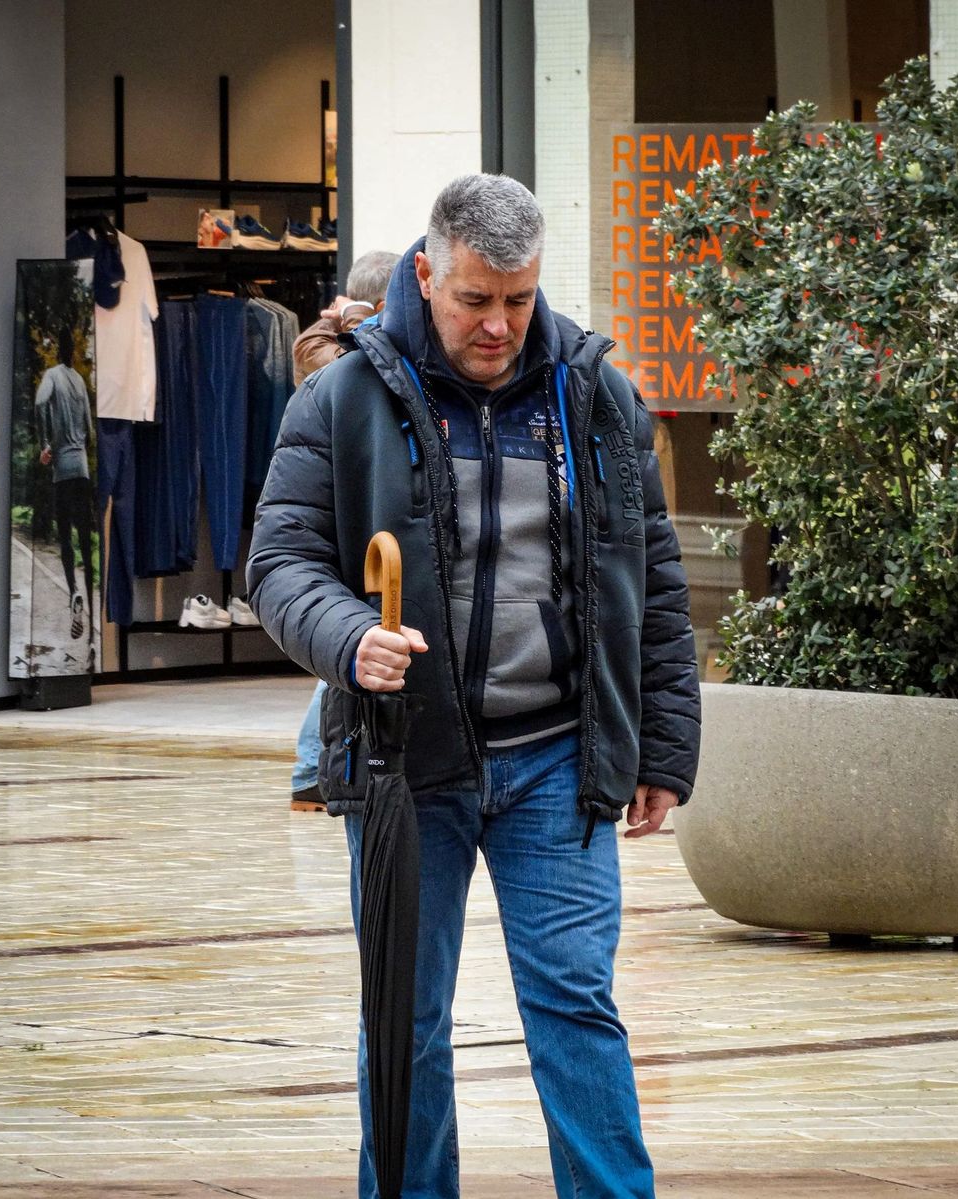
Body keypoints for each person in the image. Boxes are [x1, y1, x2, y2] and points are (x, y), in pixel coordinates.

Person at [248, 174, 701, 1198]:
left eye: (518, 299)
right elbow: (279, 562)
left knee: (577, 1005)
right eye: (474, 299)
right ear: (425, 274)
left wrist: (663, 748)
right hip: (409, 761)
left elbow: (654, 578)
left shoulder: (596, 395)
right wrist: (349, 635)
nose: (498, 324)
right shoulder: (343, 398)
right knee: (405, 1018)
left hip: (558, 756)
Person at [289, 248, 401, 810]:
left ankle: (310, 769)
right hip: (343, 521)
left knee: (353, 647)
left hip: (354, 518)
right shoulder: (330, 357)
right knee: (351, 648)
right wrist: (354, 319)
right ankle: (310, 768)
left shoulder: (328, 341)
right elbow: (348, 366)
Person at [35, 329, 97, 640]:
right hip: (82, 468)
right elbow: (90, 430)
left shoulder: (52, 376)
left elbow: (40, 404)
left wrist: (45, 444)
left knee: (65, 538)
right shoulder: (80, 382)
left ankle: (74, 592)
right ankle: (91, 615)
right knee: (85, 539)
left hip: (61, 470)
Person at [292, 248, 398, 385]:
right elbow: (362, 366)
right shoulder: (311, 344)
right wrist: (356, 310)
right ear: (383, 308)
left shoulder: (388, 332)